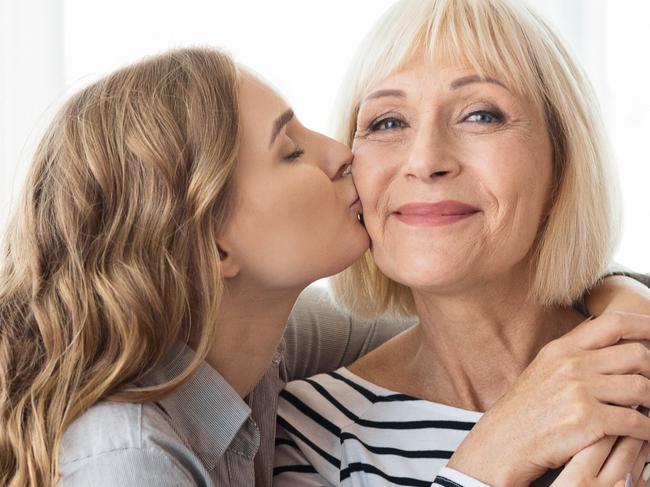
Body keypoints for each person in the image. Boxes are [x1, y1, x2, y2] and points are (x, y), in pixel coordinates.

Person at [0, 43, 647, 487]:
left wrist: (622, 307)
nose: (342, 153)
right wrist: (487, 458)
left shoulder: (263, 343)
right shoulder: (126, 458)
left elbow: (465, 324)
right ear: (217, 247)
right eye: (290, 149)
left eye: (481, 114)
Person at [274, 0, 650, 485]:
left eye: (481, 116)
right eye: (388, 122)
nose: (425, 159)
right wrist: (495, 452)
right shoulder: (314, 431)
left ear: (562, 163)